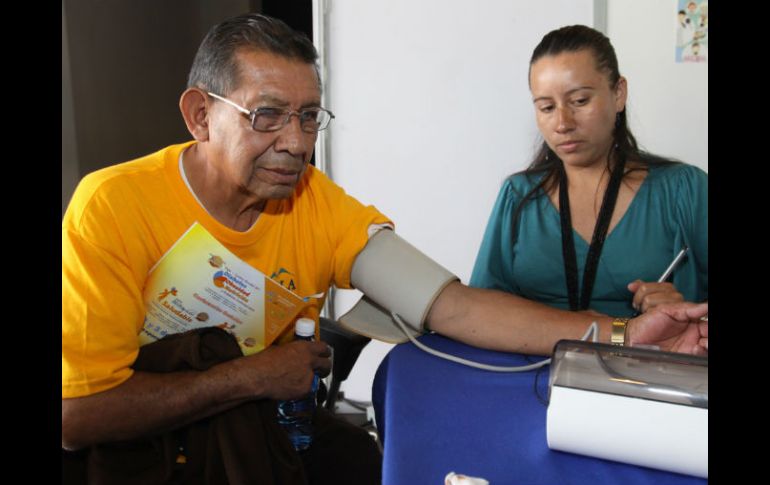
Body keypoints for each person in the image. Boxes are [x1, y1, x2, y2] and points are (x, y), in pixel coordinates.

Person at [62, 14, 708, 484]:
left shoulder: (318, 203)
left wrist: (625, 334)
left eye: (310, 116)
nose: (295, 142)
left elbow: (451, 305)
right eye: (267, 115)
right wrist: (250, 376)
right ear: (201, 115)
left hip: (263, 433)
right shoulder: (114, 206)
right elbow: (77, 417)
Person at [470, 25, 707, 325]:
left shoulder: (684, 190)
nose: (562, 123)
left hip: (644, 368)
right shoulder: (518, 196)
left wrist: (690, 310)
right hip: (532, 368)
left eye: (580, 101)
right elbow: (479, 311)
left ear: (618, 94)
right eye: (546, 107)